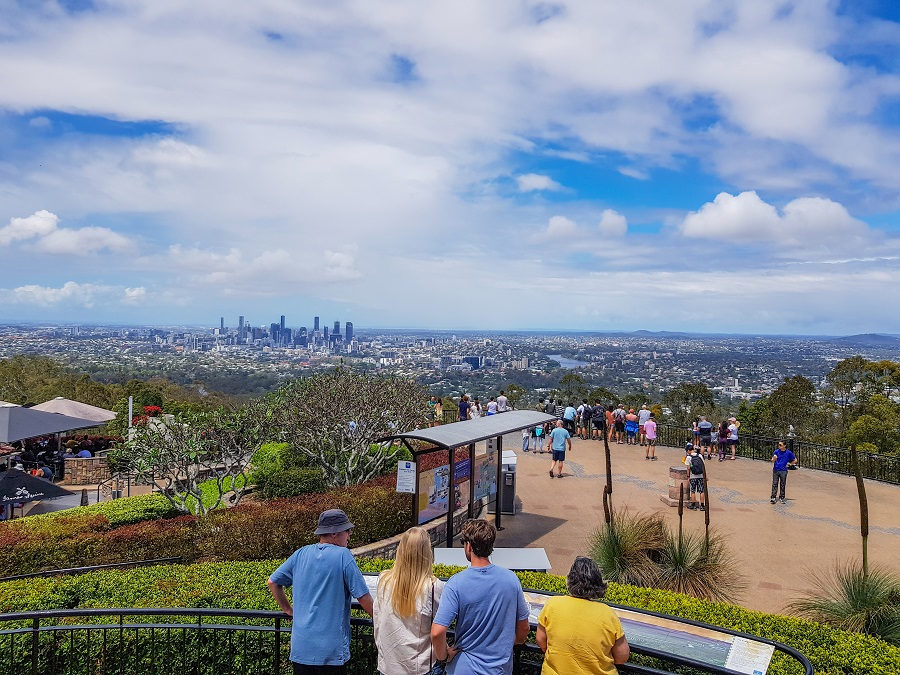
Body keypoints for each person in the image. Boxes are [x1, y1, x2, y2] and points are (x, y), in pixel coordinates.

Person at [267, 509, 374, 673]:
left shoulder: (300, 553)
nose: (349, 534)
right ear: (334, 533)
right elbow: (363, 597)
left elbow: (273, 582)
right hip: (330, 652)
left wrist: (287, 610)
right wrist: (382, 618)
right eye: (347, 530)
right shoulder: (343, 555)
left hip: (301, 648)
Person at [431, 519, 530, 675]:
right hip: (500, 670)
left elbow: (437, 632)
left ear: (469, 546)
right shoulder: (511, 580)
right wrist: (514, 643)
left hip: (463, 668)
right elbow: (524, 627)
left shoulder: (456, 583)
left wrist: (444, 656)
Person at [536, 556, 629, 675]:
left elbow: (540, 639)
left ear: (570, 579)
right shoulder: (608, 614)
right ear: (598, 583)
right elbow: (622, 656)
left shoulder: (553, 604)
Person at [374, 527, 446, 675]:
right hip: (420, 667)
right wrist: (444, 654)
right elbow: (439, 629)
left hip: (388, 666)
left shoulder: (384, 581)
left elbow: (378, 622)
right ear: (427, 553)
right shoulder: (434, 587)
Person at [683, 443, 705, 511]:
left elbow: (688, 468)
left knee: (693, 491)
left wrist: (688, 476)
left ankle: (693, 505)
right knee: (701, 491)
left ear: (689, 450)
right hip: (701, 476)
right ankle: (702, 506)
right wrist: (705, 476)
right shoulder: (700, 456)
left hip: (693, 476)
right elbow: (703, 466)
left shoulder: (689, 457)